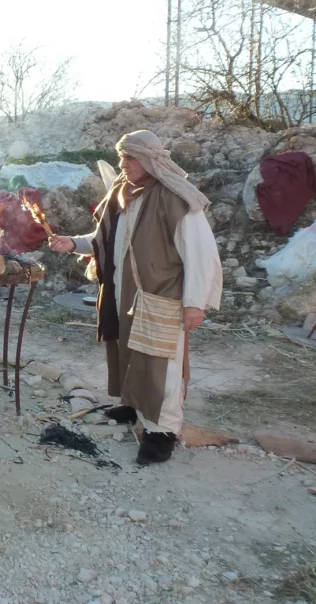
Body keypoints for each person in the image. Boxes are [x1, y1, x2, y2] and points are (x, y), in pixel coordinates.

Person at [48, 129, 222, 464]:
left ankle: (161, 433)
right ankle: (133, 406)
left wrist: (195, 303)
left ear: (149, 160)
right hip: (122, 292)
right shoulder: (120, 192)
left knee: (162, 367)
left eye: (129, 157)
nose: (122, 163)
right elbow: (105, 239)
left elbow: (201, 254)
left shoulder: (176, 198)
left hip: (161, 298)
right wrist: (73, 243)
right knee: (126, 351)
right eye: (121, 156)